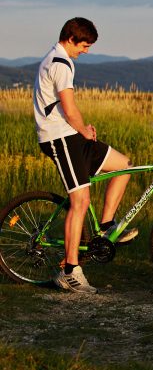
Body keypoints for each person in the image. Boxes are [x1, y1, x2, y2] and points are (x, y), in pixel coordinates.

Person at [34, 17, 135, 293]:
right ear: (71, 39)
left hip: (72, 135)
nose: (87, 50)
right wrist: (83, 129)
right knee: (80, 200)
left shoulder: (62, 60)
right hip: (59, 138)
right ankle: (69, 271)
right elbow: (69, 107)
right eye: (85, 45)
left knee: (124, 165)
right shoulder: (59, 63)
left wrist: (82, 130)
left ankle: (105, 226)